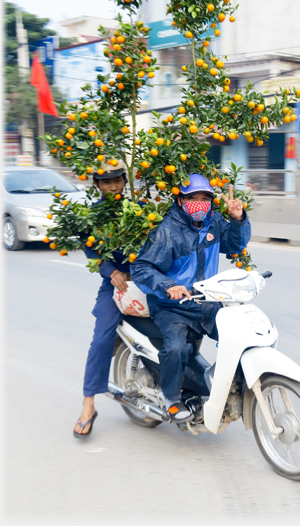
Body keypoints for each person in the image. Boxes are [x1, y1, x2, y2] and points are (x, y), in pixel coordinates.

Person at [130, 173, 252, 422]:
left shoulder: (214, 222)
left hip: (206, 301)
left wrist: (238, 219)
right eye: (192, 197)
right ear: (180, 201)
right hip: (172, 306)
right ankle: (171, 399)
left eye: (205, 197)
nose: (199, 202)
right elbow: (142, 268)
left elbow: (234, 245)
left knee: (241, 335)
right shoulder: (167, 231)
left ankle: (230, 386)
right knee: (175, 347)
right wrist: (168, 285)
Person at [73, 160, 131, 439]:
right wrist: (112, 273)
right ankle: (88, 406)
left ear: (125, 181)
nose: (113, 187)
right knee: (101, 338)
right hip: (114, 284)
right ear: (96, 185)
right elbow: (94, 257)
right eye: (106, 182)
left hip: (147, 279)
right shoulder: (90, 217)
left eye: (117, 180)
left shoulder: (139, 211)